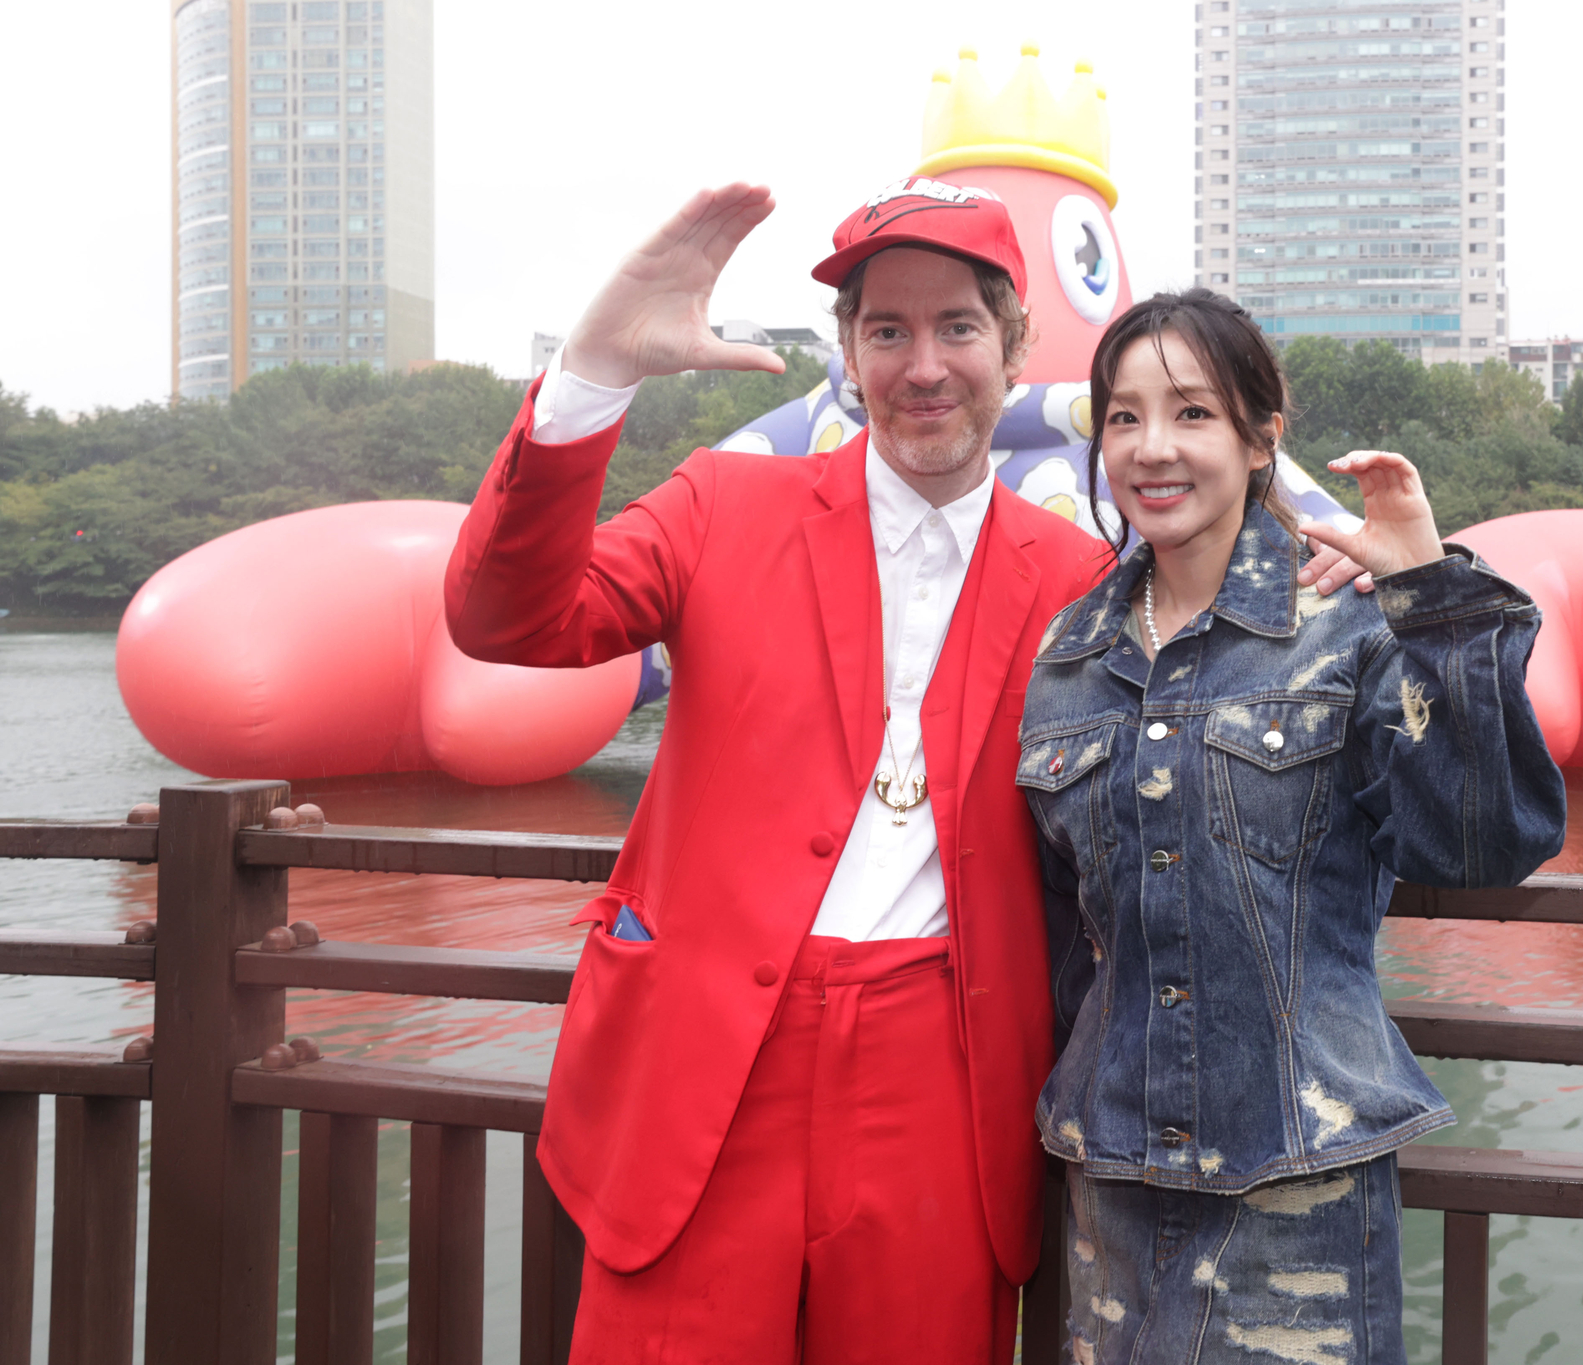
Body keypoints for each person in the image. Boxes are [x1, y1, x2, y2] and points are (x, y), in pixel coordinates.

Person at [443, 182, 1371, 1362]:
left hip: (943, 1073)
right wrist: (593, 374)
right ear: (846, 355)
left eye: (957, 329)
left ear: (1013, 346)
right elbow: (504, 617)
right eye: (886, 331)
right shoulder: (722, 506)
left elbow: (1215, 733)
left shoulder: (1083, 582)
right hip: (703, 1071)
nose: (922, 365)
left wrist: (1367, 586)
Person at [1019, 290, 1568, 1363]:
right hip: (1111, 1182)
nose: (1151, 449)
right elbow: (1057, 939)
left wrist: (1428, 593)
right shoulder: (1066, 660)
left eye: (1190, 414)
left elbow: (1481, 843)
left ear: (1261, 435)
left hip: (1298, 1180)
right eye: (1123, 418)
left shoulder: (1349, 626)